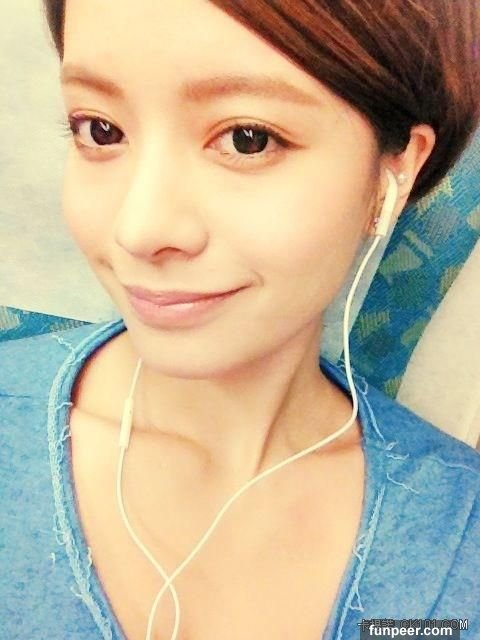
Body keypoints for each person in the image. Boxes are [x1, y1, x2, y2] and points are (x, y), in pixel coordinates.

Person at [1, 1, 479, 639]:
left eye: (247, 138)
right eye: (100, 129)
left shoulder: (457, 535)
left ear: (395, 170)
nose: (139, 230)